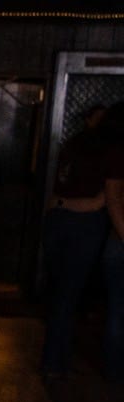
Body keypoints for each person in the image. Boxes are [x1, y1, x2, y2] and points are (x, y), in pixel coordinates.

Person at [38, 107, 124, 381]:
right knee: (68, 296)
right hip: (83, 224)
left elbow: (60, 186)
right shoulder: (115, 152)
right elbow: (112, 199)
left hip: (57, 219)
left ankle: (58, 360)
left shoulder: (76, 143)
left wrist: (63, 204)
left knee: (61, 294)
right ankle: (54, 362)